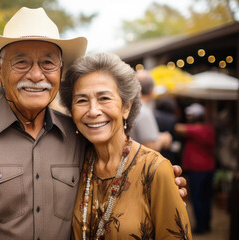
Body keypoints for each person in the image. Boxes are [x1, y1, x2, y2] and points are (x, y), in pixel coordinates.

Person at [0, 7, 186, 240]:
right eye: (21, 62)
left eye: (48, 63)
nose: (37, 75)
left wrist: (159, 182)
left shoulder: (79, 136)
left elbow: (118, 168)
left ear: (60, 72)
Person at [60, 53, 192, 239]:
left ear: (126, 107)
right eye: (81, 100)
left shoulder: (155, 170)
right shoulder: (75, 164)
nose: (93, 111)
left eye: (104, 98)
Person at [175, 103, 215, 234]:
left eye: (191, 115)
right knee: (206, 198)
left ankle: (200, 227)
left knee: (197, 198)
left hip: (197, 169)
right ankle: (207, 223)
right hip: (209, 168)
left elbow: (178, 128)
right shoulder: (209, 129)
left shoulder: (196, 130)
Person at [130, 70, 172, 152]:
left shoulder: (130, 108)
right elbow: (150, 147)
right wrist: (163, 140)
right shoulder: (143, 111)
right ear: (151, 91)